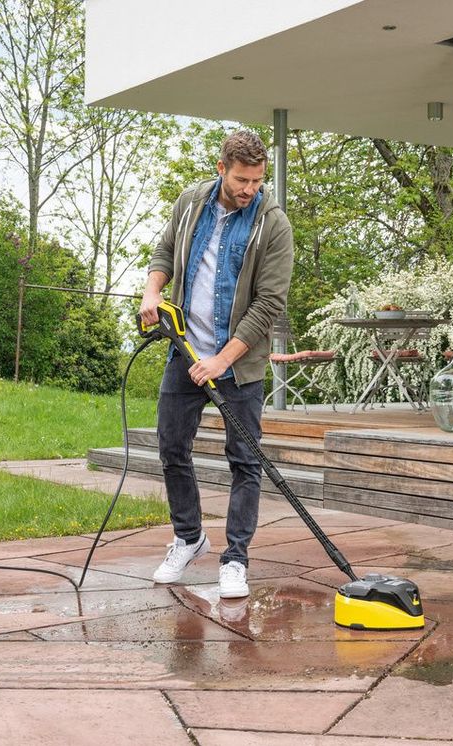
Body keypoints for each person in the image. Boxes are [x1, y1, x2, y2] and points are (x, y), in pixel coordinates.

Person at [138, 130, 294, 598]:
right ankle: (188, 536)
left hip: (239, 364)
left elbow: (269, 304)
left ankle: (235, 560)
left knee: (245, 462)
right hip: (184, 349)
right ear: (221, 167)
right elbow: (164, 252)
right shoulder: (191, 202)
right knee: (171, 448)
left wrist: (222, 360)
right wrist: (152, 291)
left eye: (257, 181)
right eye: (242, 179)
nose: (250, 189)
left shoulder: (273, 224)